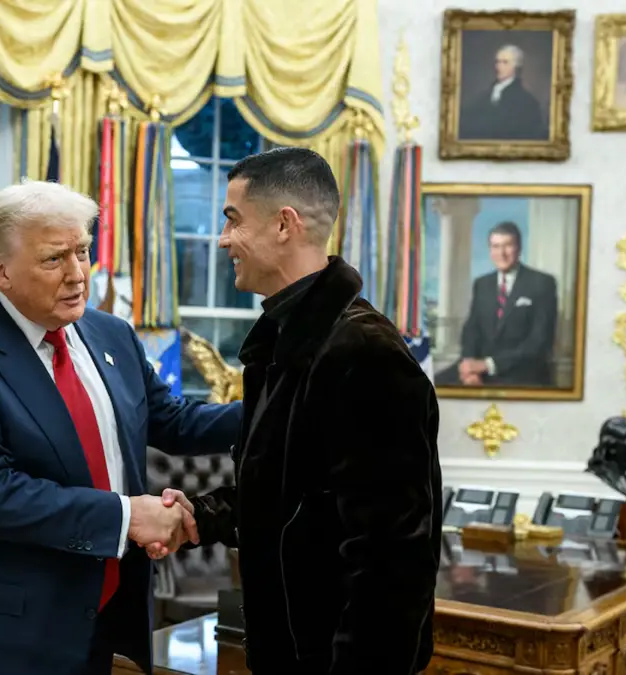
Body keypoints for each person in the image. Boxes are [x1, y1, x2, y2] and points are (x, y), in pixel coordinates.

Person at [0, 180, 242, 675]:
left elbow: (172, 420)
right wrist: (127, 517)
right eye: (54, 259)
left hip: (94, 619)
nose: (78, 274)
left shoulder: (110, 333)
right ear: (0, 269)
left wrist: (280, 405)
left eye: (82, 250)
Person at [176, 147, 442, 673]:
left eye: (233, 220)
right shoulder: (284, 343)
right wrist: (201, 516)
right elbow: (289, 500)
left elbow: (392, 558)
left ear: (284, 225)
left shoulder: (364, 351)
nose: (223, 239)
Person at [436, 221, 559, 388]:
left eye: (508, 245)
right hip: (479, 369)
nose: (502, 253)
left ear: (519, 248)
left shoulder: (542, 283)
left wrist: (488, 365)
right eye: (495, 246)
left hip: (521, 372)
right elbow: (471, 330)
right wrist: (469, 368)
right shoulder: (482, 284)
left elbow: (540, 341)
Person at [459, 44, 547, 141]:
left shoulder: (528, 102)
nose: (499, 66)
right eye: (497, 62)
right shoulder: (483, 97)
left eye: (505, 62)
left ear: (516, 67)